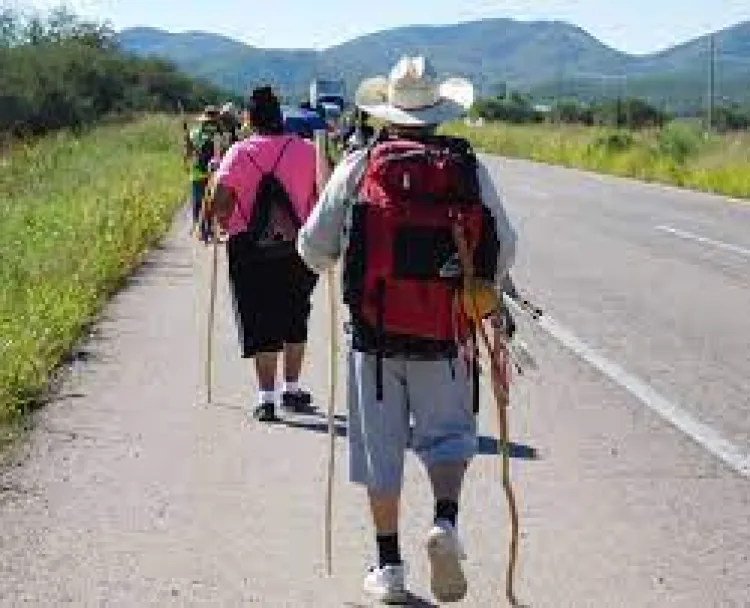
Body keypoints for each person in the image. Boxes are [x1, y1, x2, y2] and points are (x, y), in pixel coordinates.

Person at [297, 56, 517, 604]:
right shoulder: (467, 168)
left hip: (374, 337)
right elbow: (505, 247)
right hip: (446, 335)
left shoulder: (359, 164)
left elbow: (312, 248)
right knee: (449, 437)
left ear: (387, 111)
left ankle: (389, 566)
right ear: (440, 113)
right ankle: (445, 519)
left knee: (379, 450)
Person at [206, 86, 326, 422]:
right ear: (281, 118)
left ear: (249, 119)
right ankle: (292, 387)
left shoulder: (238, 153)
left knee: (259, 318)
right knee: (295, 314)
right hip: (298, 246)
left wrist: (224, 214)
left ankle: (266, 398)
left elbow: (221, 206)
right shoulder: (306, 151)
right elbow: (322, 199)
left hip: (248, 249)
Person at [186, 105, 221, 243]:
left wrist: (188, 143)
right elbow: (221, 154)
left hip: (197, 172)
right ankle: (209, 229)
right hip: (214, 173)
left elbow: (188, 153)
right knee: (211, 202)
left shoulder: (194, 133)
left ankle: (200, 229)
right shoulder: (219, 134)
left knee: (197, 202)